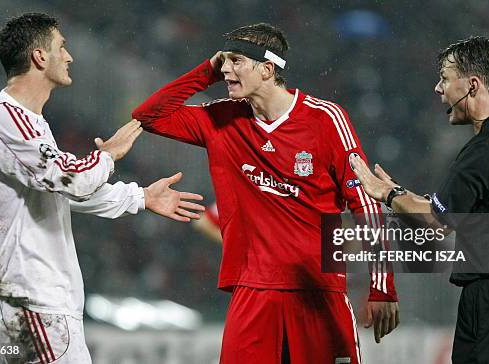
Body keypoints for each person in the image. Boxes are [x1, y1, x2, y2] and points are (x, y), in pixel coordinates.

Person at [133, 23, 399, 363]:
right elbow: (149, 116)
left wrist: (382, 284)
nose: (225, 68)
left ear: (268, 69)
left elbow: (365, 203)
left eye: (236, 60)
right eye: (224, 61)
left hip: (317, 291)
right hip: (252, 290)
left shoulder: (326, 119)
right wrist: (206, 72)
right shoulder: (220, 119)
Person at [0, 13, 205, 364]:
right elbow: (71, 179)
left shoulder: (27, 122)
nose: (69, 56)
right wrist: (108, 155)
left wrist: (140, 196)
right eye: (61, 47)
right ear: (39, 57)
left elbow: (64, 191)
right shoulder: (7, 117)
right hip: (34, 298)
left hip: (41, 301)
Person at [350, 36, 489, 363]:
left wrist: (386, 194)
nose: (438, 88)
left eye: (445, 78)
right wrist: (403, 194)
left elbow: (437, 220)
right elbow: (454, 209)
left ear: (472, 85)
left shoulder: (487, 147)